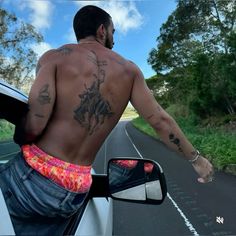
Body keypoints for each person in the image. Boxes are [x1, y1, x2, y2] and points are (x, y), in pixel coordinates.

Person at [0, 5, 214, 235]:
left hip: (31, 181)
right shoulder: (129, 71)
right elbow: (160, 121)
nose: (115, 38)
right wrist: (196, 159)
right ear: (102, 30)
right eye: (114, 31)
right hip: (75, 191)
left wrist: (20, 137)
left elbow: (34, 124)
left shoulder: (54, 58)